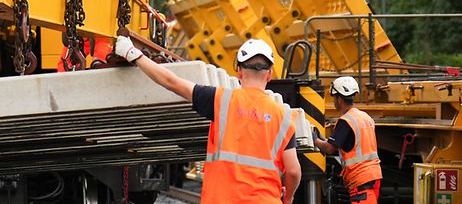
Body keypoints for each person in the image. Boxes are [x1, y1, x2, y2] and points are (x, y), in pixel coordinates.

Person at [114, 37, 301, 204]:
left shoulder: (221, 101)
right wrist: (288, 197)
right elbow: (293, 171)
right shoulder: (283, 117)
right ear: (269, 75)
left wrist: (133, 54)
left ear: (239, 72)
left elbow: (172, 82)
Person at [312, 76, 382, 204]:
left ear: (339, 99)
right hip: (374, 176)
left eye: (334, 97)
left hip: (360, 180)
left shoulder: (346, 121)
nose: (334, 101)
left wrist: (315, 140)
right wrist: (324, 140)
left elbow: (329, 148)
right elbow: (351, 143)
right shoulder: (365, 117)